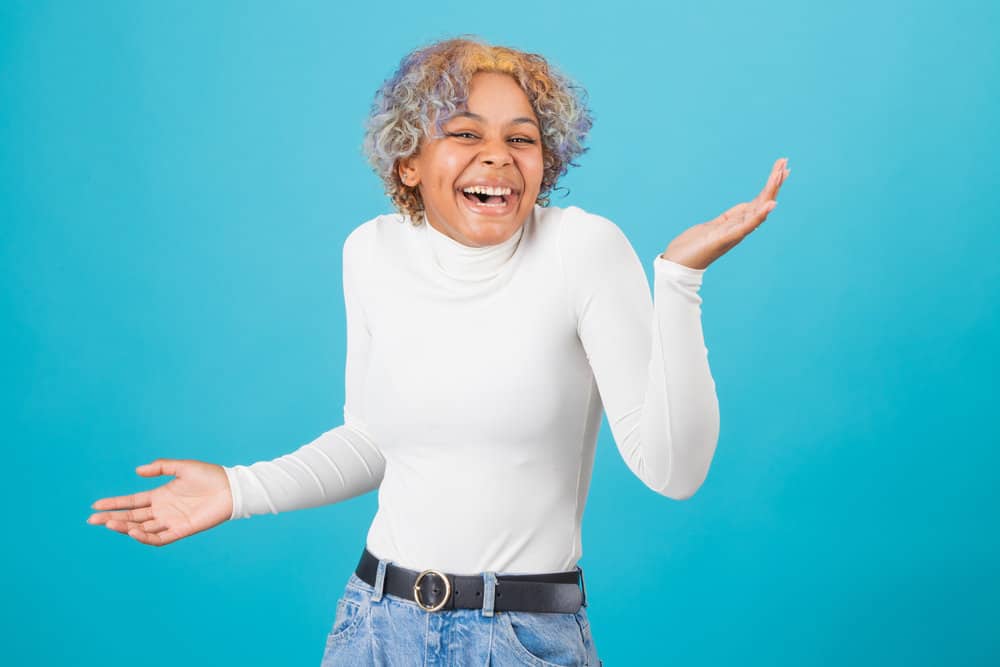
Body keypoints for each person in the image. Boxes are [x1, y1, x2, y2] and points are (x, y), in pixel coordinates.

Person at [87, 36, 790, 666]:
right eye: (464, 133)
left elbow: (674, 469)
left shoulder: (584, 249)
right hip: (374, 625)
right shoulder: (370, 252)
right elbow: (373, 439)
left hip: (521, 637)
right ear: (410, 160)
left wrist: (678, 277)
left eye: (523, 139)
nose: (498, 156)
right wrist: (238, 489)